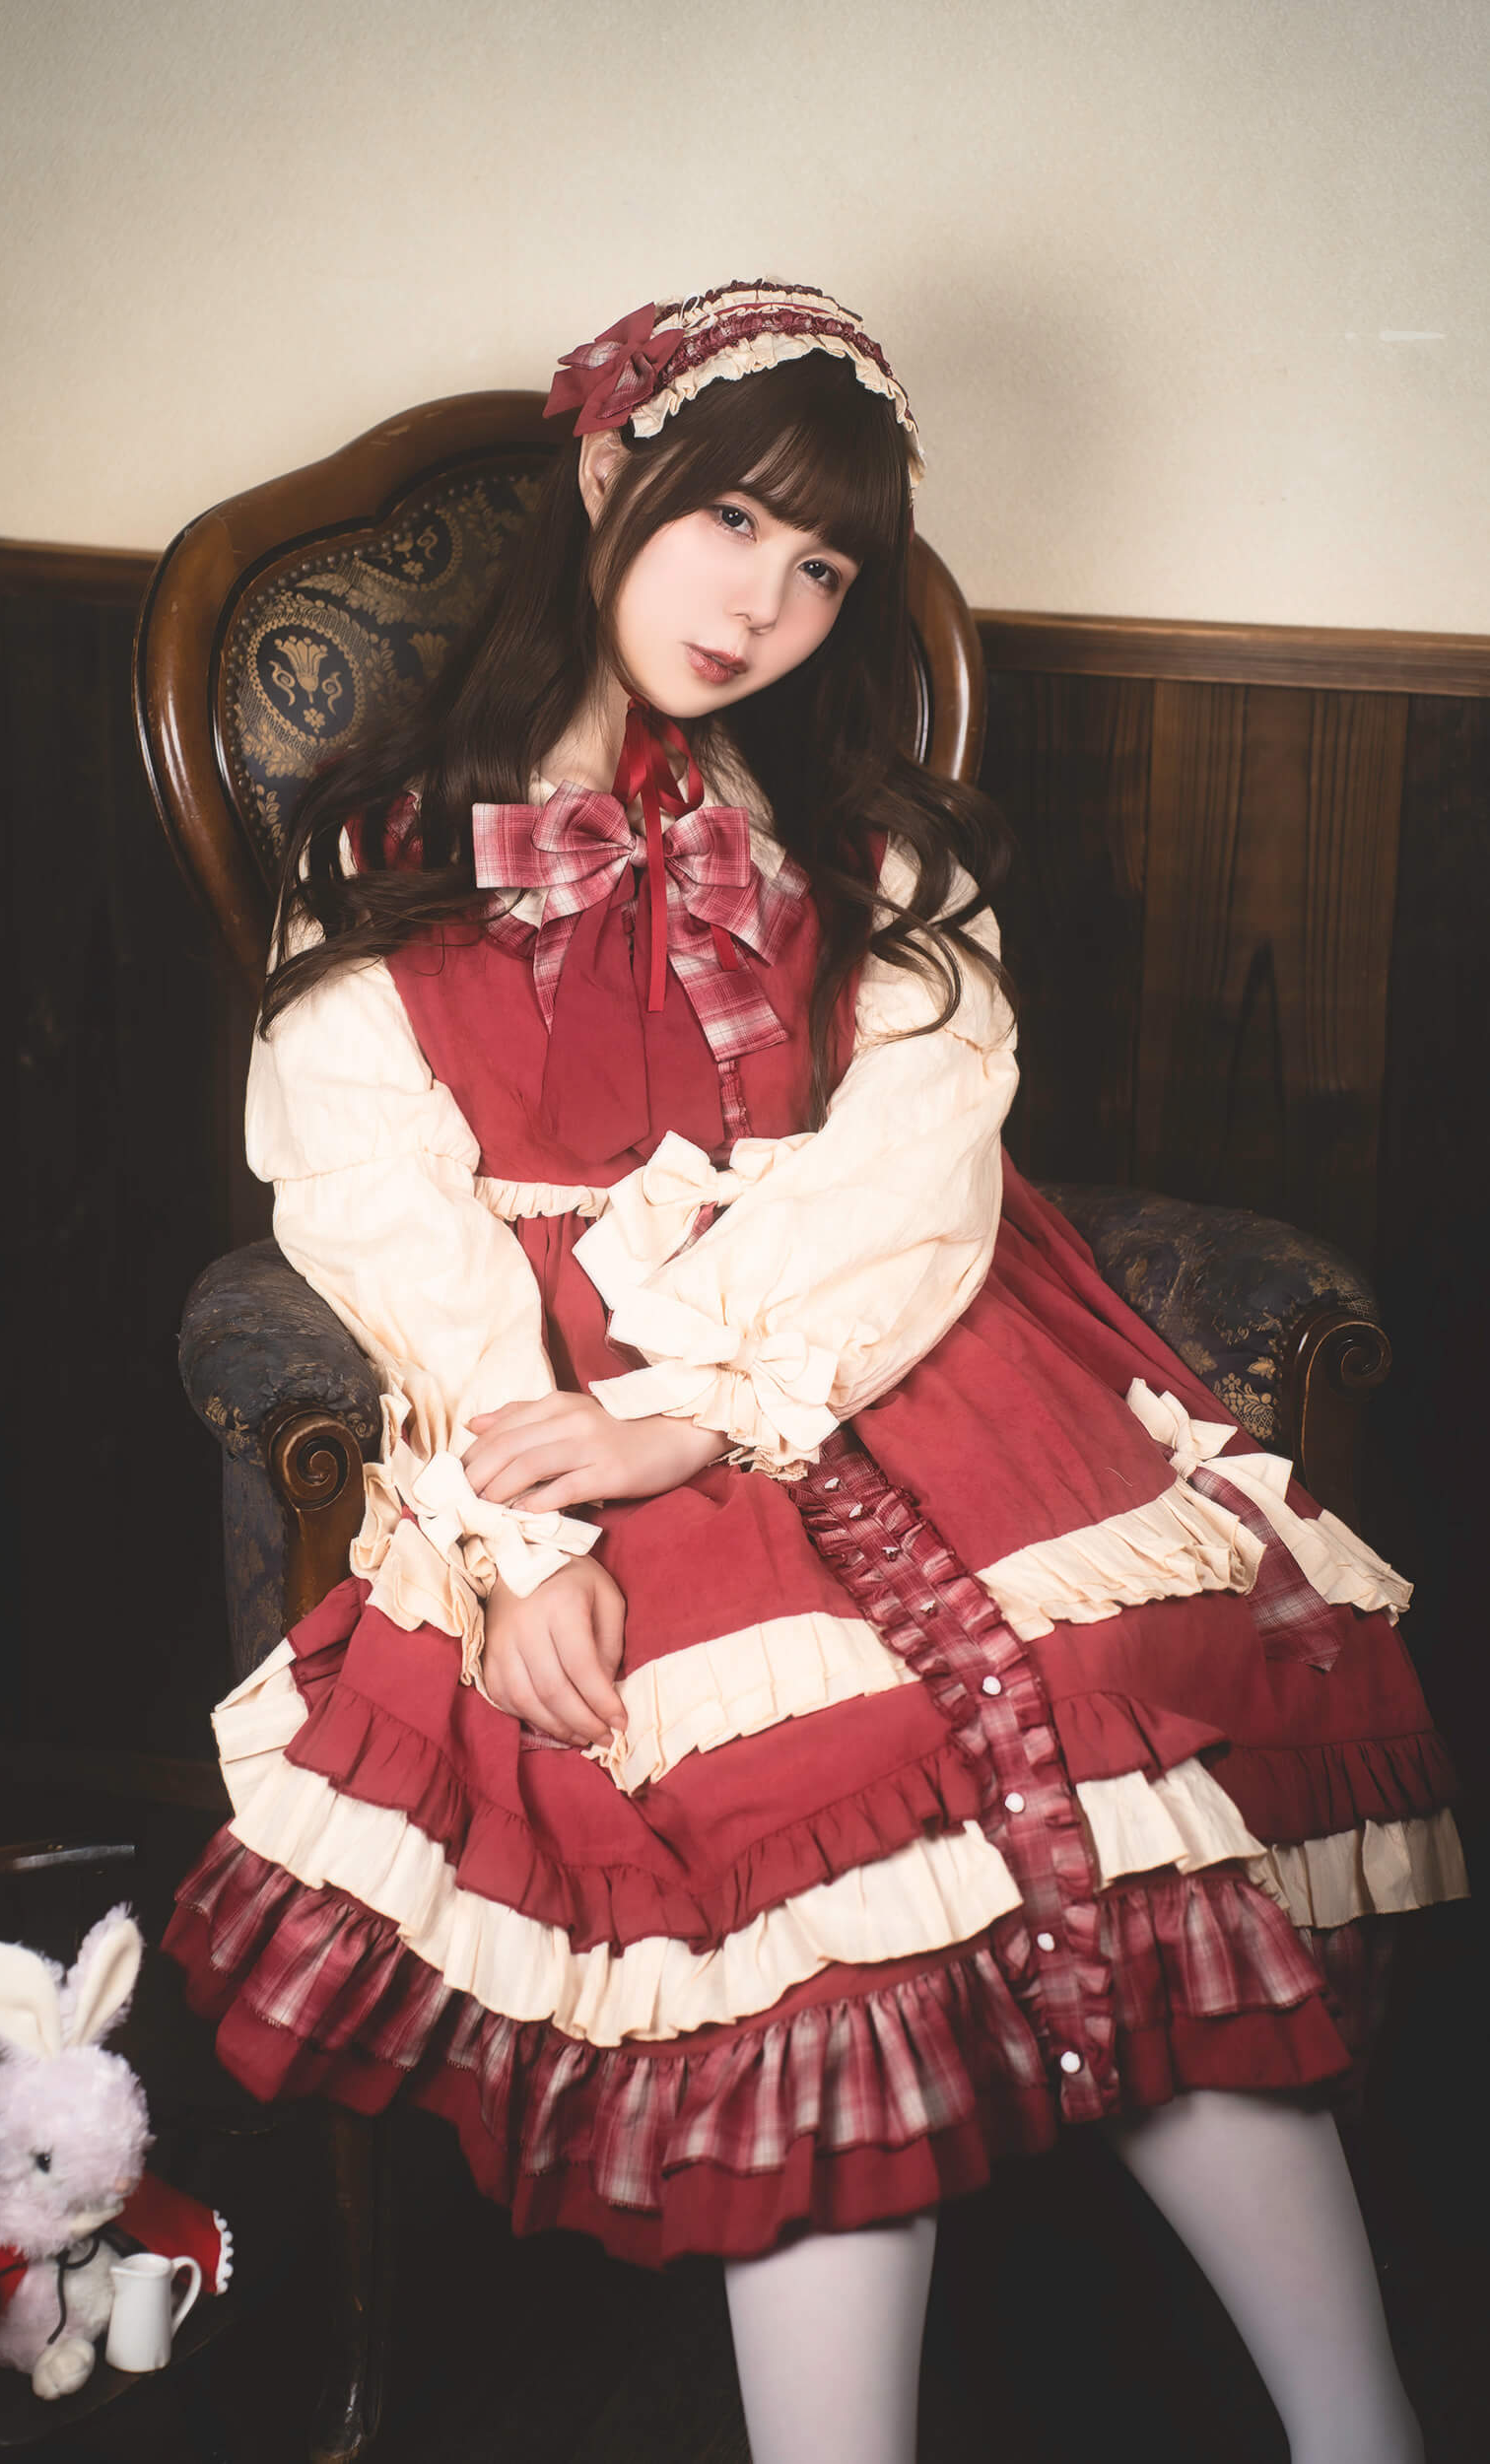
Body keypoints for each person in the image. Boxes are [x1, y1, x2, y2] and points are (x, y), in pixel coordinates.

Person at [165, 280, 1465, 2463]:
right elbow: (380, 1222)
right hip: (553, 1401)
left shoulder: (858, 843)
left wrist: (712, 1398)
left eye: (824, 565)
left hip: (893, 1360)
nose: (762, 603)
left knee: (1124, 1776)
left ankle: (1370, 2434)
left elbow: (921, 1162)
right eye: (730, 521)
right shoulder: (377, 863)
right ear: (611, 474)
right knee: (809, 1854)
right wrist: (525, 1534)